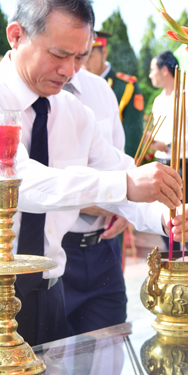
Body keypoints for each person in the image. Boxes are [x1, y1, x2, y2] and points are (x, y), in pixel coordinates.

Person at [0, 0, 188, 351]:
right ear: (16, 35)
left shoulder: (74, 113)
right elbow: (20, 185)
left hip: (47, 294)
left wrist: (164, 217)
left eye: (80, 57)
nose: (69, 71)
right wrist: (124, 183)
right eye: (59, 55)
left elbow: (117, 171)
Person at [59, 64, 133, 336]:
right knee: (53, 367)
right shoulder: (25, 96)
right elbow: (35, 183)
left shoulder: (101, 90)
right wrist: (120, 197)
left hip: (103, 249)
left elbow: (118, 166)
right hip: (53, 251)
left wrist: (127, 206)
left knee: (108, 358)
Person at [149, 51, 188, 252]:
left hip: (183, 166)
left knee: (186, 219)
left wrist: (170, 145)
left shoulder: (187, 96)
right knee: (163, 220)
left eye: (152, 70)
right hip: (162, 165)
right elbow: (160, 136)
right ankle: (170, 267)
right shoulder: (157, 101)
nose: (150, 75)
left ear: (165, 71)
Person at [82, 31, 144, 158]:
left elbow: (133, 137)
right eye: (80, 56)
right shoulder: (75, 82)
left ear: (104, 52)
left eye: (89, 56)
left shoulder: (127, 87)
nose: (84, 63)